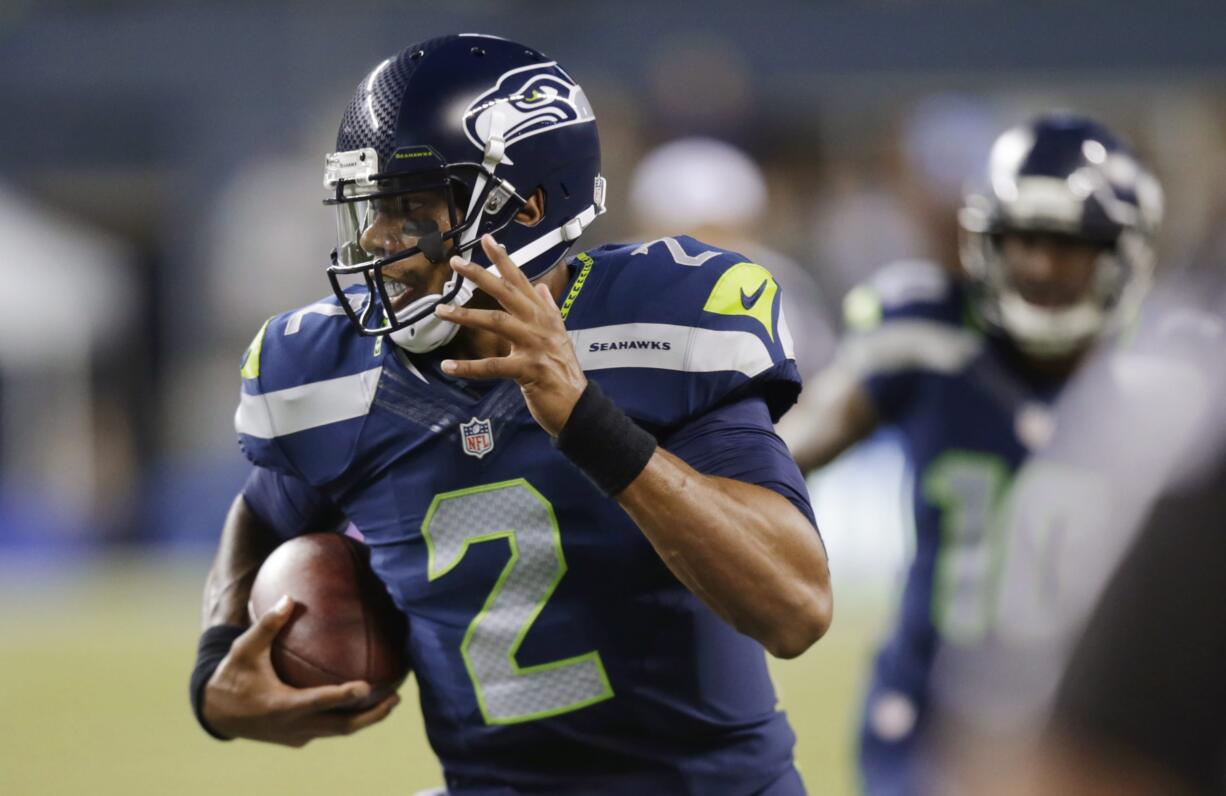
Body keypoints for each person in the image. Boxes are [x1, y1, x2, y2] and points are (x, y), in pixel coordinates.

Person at [190, 34, 831, 795]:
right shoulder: (325, 374)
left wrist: (587, 421)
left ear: (524, 206)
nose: (374, 240)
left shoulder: (663, 327)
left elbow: (795, 609)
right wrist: (218, 662)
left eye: (407, 208)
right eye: (368, 208)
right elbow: (264, 512)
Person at [776, 114, 1163, 795]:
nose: (1042, 266)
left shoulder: (1169, 377)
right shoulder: (928, 333)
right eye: (1025, 241)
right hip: (929, 717)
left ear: (1121, 253)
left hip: (1094, 719)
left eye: (1068, 246)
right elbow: (786, 454)